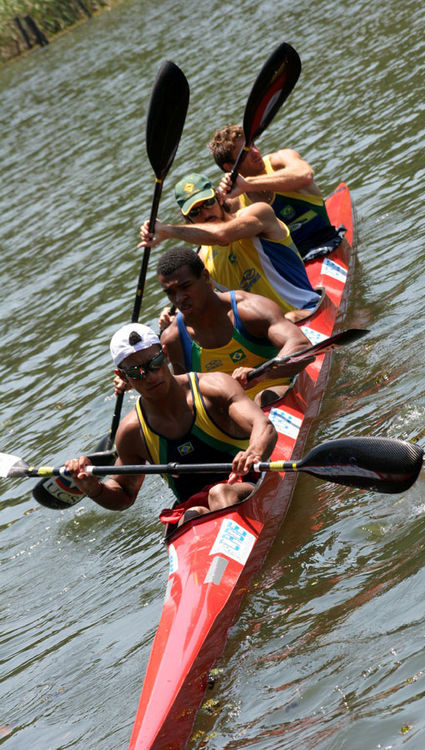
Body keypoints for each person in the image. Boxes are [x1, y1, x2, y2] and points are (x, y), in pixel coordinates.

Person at [64, 323, 277, 526]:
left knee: (220, 493)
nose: (150, 376)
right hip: (196, 509)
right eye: (136, 372)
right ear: (122, 377)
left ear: (165, 354)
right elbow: (124, 494)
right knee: (191, 515)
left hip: (249, 483)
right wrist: (94, 489)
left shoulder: (213, 388)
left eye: (155, 363)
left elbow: (263, 426)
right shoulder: (131, 432)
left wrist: (254, 452)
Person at [138, 173, 320, 324]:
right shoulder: (202, 261)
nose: (205, 213)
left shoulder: (259, 213)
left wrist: (168, 231)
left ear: (219, 198)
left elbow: (222, 234)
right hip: (267, 336)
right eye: (195, 212)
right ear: (188, 220)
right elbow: (202, 304)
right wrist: (177, 316)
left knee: (287, 319)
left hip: (305, 311)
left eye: (208, 203)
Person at [154, 246, 314, 407]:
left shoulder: (249, 310)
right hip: (234, 415)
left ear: (205, 276)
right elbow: (183, 399)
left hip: (274, 391)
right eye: (170, 293)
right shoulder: (173, 339)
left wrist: (260, 374)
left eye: (185, 286)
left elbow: (302, 345)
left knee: (263, 398)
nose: (179, 298)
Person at [208, 124, 347, 261]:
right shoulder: (235, 201)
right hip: (291, 264)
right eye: (246, 153)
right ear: (230, 167)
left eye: (253, 145)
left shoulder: (281, 159)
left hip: (328, 241)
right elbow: (218, 234)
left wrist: (248, 185)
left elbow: (306, 175)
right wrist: (221, 198)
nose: (256, 152)